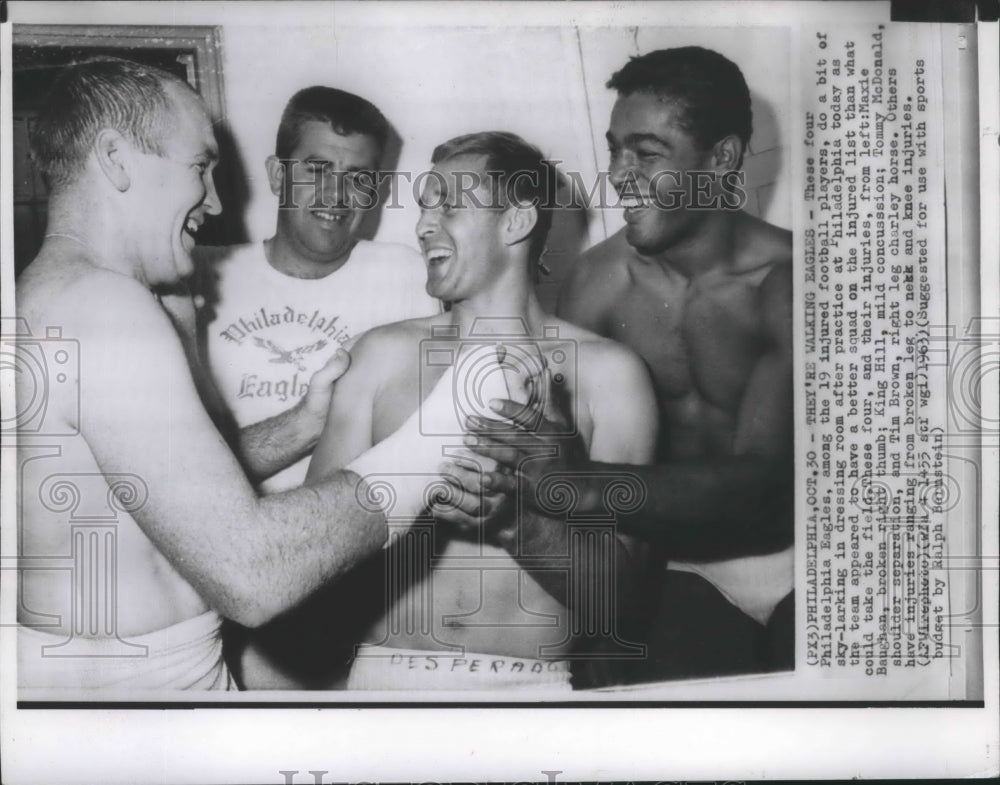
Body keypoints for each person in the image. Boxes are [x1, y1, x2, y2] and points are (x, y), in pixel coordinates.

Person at [14, 58, 451, 691]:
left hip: (120, 682)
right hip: (143, 692)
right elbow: (253, 576)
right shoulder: (105, 305)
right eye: (199, 167)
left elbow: (166, 492)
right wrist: (442, 438)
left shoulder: (50, 295)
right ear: (115, 158)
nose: (216, 199)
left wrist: (305, 425)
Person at [464, 47, 794, 682]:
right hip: (663, 564)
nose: (618, 173)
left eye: (647, 154)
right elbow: (559, 454)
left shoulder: (789, 281)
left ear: (721, 159)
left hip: (791, 560)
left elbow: (763, 488)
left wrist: (580, 480)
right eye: (615, 149)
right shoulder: (597, 282)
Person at [303, 132, 657, 690]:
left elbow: (620, 604)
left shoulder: (610, 376)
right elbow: (308, 559)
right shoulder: (377, 357)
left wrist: (519, 522)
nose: (422, 226)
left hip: (529, 690)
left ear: (515, 222)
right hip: (385, 681)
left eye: (448, 204)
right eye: (423, 208)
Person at [196, 86, 439, 494]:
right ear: (278, 176)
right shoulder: (203, 274)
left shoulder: (410, 273)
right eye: (318, 169)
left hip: (365, 536)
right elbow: (177, 471)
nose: (336, 195)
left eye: (358, 178)